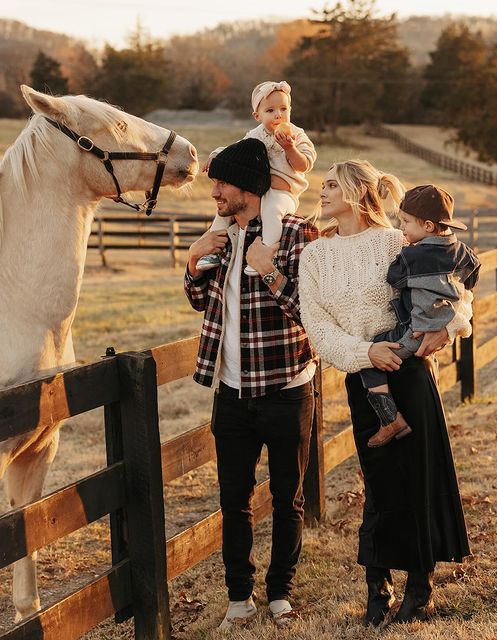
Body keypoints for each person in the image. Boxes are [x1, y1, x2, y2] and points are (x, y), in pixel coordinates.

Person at [298, 160, 471, 626]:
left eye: (332, 183)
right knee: (378, 482)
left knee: (419, 477)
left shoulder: (397, 241)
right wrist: (365, 351)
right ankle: (377, 587)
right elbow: (317, 326)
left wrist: (451, 329)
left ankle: (420, 589)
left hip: (411, 375)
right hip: (365, 377)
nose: (323, 190)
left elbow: (453, 288)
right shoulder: (315, 256)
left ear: (356, 191)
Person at [184, 137, 319, 629]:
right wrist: (193, 260)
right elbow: (201, 302)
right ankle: (239, 598)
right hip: (232, 395)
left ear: (249, 185)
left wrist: (270, 274)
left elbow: (313, 314)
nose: (214, 191)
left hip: (287, 389)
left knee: (288, 499)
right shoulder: (221, 235)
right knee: (232, 501)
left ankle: (280, 593)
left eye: (222, 182)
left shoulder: (299, 235)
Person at [359, 184, 481, 448]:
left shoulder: (412, 255)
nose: (401, 228)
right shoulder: (459, 249)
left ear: (427, 226)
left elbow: (394, 278)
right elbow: (474, 270)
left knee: (371, 355)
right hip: (439, 326)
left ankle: (389, 419)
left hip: (413, 331)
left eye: (406, 222)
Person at [196, 80, 316, 276]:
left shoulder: (296, 134)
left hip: (283, 193)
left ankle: (266, 252)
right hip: (261, 190)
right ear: (257, 116)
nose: (278, 114)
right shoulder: (255, 135)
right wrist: (217, 153)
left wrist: (290, 148)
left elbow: (305, 165)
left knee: (271, 212)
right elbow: (236, 151)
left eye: (284, 109)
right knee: (223, 214)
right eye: (270, 110)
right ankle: (212, 253)